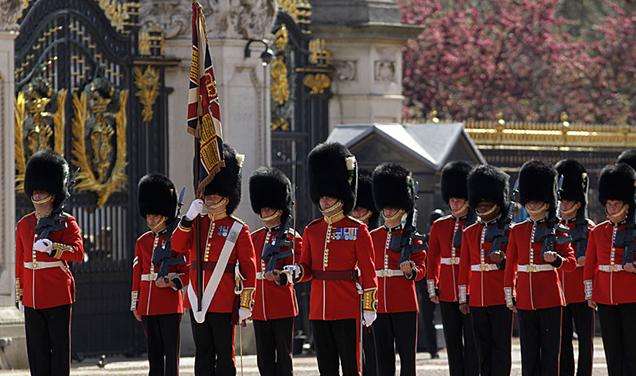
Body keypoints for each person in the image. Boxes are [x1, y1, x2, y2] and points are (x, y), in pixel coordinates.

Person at [285, 142, 377, 376]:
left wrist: (369, 305)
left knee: (351, 366)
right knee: (326, 367)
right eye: (322, 196)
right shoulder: (312, 230)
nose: (324, 201)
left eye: (329, 196)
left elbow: (368, 271)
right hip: (318, 309)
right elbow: (307, 267)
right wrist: (297, 271)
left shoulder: (357, 229)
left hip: (347, 306)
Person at [172, 143, 257, 376]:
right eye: (208, 193)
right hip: (198, 297)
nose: (210, 198)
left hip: (222, 298)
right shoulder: (196, 224)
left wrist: (245, 304)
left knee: (224, 354)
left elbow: (250, 269)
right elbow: (177, 246)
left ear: (227, 196)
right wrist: (187, 219)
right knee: (203, 353)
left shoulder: (237, 228)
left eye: (215, 194)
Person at [504, 160, 576, 376]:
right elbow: (511, 265)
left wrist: (556, 261)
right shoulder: (517, 230)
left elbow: (571, 263)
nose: (533, 205)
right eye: (530, 201)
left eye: (538, 200)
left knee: (550, 356)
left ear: (547, 201)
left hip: (551, 299)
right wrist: (510, 292)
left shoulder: (559, 230)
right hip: (526, 298)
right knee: (529, 355)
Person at [15, 150, 85, 376]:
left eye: (41, 192)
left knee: (59, 354)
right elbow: (19, 263)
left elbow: (78, 252)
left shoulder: (66, 223)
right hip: (32, 298)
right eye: (34, 193)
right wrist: (21, 295)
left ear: (53, 195)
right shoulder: (24, 225)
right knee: (37, 355)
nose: (36, 197)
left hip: (57, 295)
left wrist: (54, 248)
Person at [370, 163, 426, 376]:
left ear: (403, 208)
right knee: (383, 359)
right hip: (379, 305)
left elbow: (423, 267)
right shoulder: (373, 236)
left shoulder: (412, 237)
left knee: (407, 359)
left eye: (393, 207)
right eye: (386, 206)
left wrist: (411, 270)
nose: (388, 210)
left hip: (404, 303)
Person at [458, 165, 513, 376]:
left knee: (500, 347)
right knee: (481, 348)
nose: (481, 208)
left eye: (486, 204)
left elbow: (515, 265)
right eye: (479, 205)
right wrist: (464, 298)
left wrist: (503, 261)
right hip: (477, 299)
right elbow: (465, 267)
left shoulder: (509, 230)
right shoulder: (471, 231)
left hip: (500, 297)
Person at [131, 174, 188, 376]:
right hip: (147, 304)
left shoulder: (177, 238)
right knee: (154, 355)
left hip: (170, 303)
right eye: (148, 216)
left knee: (171, 354)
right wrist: (135, 303)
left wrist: (173, 281)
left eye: (155, 216)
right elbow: (137, 273)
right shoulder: (142, 241)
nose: (150, 220)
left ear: (165, 215)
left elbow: (186, 269)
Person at [427, 161, 479, 376]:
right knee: (453, 341)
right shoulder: (440, 225)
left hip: (472, 289)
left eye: (459, 199)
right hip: (448, 290)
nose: (455, 203)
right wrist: (433, 287)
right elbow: (433, 259)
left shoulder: (476, 225)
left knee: (472, 342)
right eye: (452, 199)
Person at [584, 162, 636, 376]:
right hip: (605, 296)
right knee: (612, 350)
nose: (612, 207)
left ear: (627, 204)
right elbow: (589, 265)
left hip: (631, 296)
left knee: (632, 350)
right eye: (610, 203)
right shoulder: (598, 232)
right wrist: (590, 293)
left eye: (617, 203)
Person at [249, 167, 302, 376]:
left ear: (280, 209)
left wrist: (281, 277)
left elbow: (299, 271)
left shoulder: (292, 238)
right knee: (264, 359)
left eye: (269, 208)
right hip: (260, 307)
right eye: (262, 208)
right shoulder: (255, 238)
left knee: (283, 359)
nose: (264, 212)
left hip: (282, 305)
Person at [554, 159, 595, 376]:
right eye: (561, 201)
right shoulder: (554, 227)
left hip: (581, 291)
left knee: (585, 341)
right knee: (563, 341)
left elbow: (594, 257)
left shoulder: (589, 228)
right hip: (560, 292)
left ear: (578, 204)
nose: (562, 205)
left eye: (567, 201)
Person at [351, 169, 380, 376]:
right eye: (355, 209)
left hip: (375, 298)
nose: (357, 213)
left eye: (361, 209)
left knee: (375, 350)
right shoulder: (351, 232)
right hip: (350, 296)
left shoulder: (376, 234)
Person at [417, 209, 443, 358]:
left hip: (443, 284)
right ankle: (432, 349)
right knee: (428, 319)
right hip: (427, 286)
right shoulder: (425, 240)